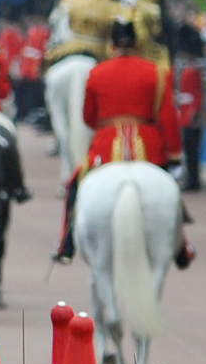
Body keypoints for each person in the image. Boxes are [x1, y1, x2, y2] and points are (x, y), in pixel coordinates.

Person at [54, 18, 185, 267]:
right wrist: (175, 153)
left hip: (106, 143)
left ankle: (66, 243)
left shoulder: (97, 72)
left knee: (74, 186)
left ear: (111, 45)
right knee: (169, 190)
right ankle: (182, 248)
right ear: (136, 44)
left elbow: (88, 118)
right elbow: (168, 117)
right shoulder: (156, 72)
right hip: (148, 146)